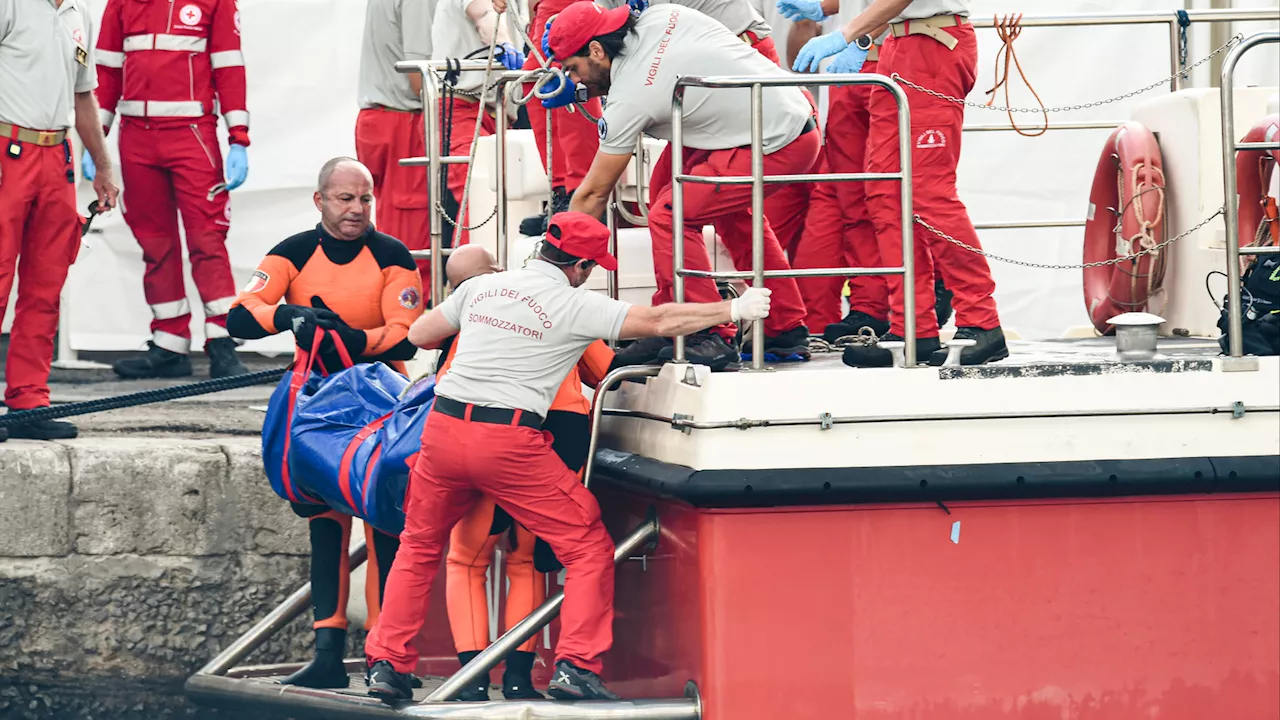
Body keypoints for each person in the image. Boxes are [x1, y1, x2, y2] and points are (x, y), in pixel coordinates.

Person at [363, 211, 771, 701]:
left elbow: (418, 336)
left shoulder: (481, 288)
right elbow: (660, 320)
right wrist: (733, 310)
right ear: (578, 265)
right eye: (591, 266)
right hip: (508, 440)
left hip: (444, 429)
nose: (590, 274)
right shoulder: (576, 305)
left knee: (419, 545)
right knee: (587, 546)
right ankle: (576, 665)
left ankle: (386, 663)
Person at [226, 157, 424, 688]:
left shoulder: (392, 255)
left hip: (380, 399)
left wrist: (355, 340)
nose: (356, 209)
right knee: (324, 529)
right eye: (345, 199)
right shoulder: (291, 251)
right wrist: (288, 316)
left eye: (364, 199)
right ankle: (328, 655)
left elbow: (407, 334)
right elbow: (240, 315)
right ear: (320, 200)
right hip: (316, 401)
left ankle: (385, 658)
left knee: (384, 528)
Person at [550, 2, 816, 370]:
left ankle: (706, 332)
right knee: (683, 195)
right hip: (777, 109)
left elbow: (594, 192)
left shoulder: (629, 98)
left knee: (670, 214)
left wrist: (551, 267)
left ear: (596, 50)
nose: (576, 81)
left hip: (778, 138)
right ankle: (778, 325)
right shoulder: (660, 16)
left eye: (572, 69)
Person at [435, 243, 616, 701]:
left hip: (483, 437)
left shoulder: (474, 318)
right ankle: (518, 679)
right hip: (558, 442)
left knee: (468, 560)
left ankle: (471, 683)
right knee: (526, 562)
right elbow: (607, 368)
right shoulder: (560, 307)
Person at [792, 0, 1007, 366]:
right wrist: (862, 41)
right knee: (883, 194)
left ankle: (982, 320)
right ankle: (913, 325)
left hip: (933, 45)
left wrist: (847, 35)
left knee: (928, 192)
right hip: (898, 46)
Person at [90, 0, 251, 379]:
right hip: (136, 138)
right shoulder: (121, 3)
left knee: (207, 239)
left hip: (192, 134)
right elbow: (106, 71)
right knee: (154, 243)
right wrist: (96, 138)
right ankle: (169, 344)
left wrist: (238, 138)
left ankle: (222, 341)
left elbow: (229, 67)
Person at [524, 0, 778, 238]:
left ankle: (724, 282)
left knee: (675, 208)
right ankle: (708, 283)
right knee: (671, 201)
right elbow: (606, 32)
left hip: (737, 62)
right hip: (695, 71)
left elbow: (646, 51)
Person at [0, 0, 119, 442]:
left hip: (57, 158)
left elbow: (83, 94)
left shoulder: (79, 13)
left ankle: (28, 401)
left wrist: (104, 169)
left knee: (46, 287)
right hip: (6, 149)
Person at [356, 0, 437, 288]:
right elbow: (420, 75)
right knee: (413, 240)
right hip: (403, 119)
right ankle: (412, 319)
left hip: (383, 117)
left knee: (396, 229)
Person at [431, 0, 525, 247]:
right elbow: (484, 13)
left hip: (495, 111)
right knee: (479, 197)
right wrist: (503, 42)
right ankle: (468, 282)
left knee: (507, 200)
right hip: (461, 106)